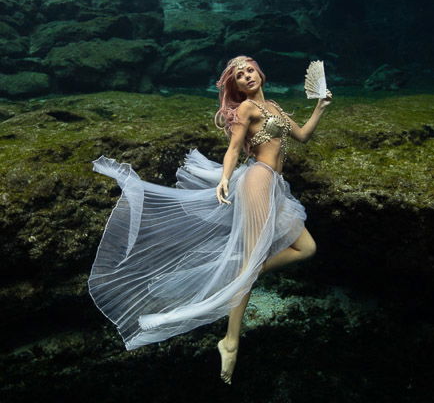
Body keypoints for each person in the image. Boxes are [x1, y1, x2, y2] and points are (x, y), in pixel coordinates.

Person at [88, 55, 332, 385]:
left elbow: (301, 136)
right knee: (255, 257)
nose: (247, 77)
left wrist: (319, 107)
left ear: (260, 73)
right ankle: (231, 340)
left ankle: (240, 277)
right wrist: (225, 179)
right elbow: (233, 149)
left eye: (250, 71)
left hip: (275, 186)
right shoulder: (246, 109)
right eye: (240, 75)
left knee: (306, 248)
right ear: (235, 85)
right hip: (258, 180)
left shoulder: (273, 106)